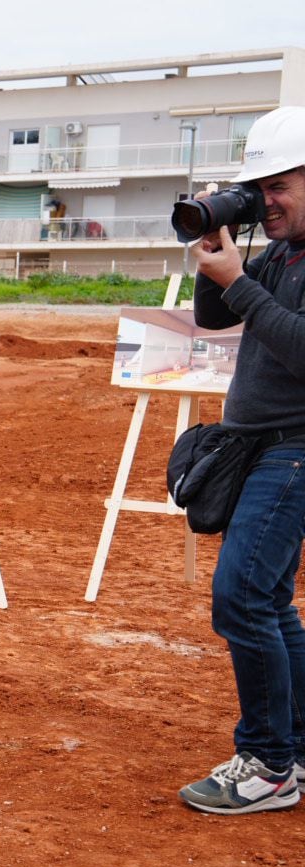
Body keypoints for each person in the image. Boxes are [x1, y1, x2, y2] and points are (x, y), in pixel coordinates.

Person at [180, 105, 305, 815]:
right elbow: (215, 317)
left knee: (243, 598)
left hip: (295, 453)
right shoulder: (283, 250)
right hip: (262, 450)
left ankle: (267, 763)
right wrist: (216, 250)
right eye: (258, 188)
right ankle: (298, 749)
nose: (268, 201)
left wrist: (241, 282)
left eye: (279, 185)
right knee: (271, 604)